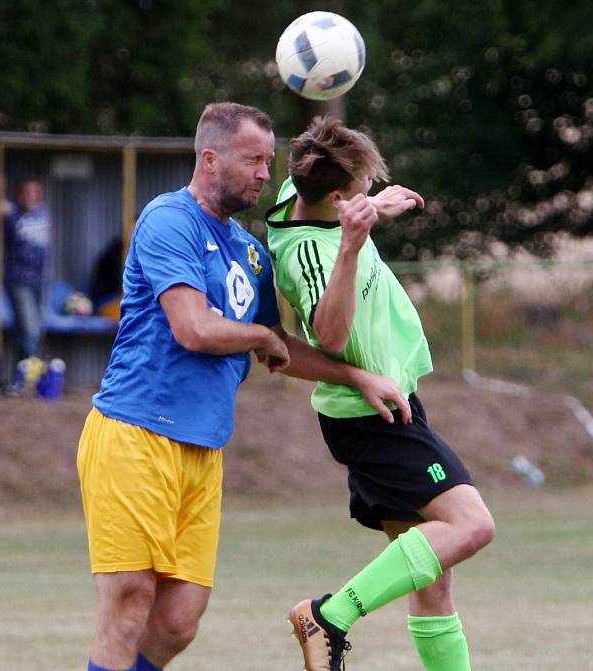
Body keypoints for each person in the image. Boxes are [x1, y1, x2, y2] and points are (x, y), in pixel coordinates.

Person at [76, 103, 412, 671]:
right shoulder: (169, 220)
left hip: (202, 450)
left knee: (179, 620)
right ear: (210, 159)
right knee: (130, 598)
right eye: (253, 160)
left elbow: (277, 346)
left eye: (268, 162)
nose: (265, 173)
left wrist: (356, 376)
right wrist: (260, 333)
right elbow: (194, 328)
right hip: (135, 435)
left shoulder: (249, 250)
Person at [265, 116, 496, 671]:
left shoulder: (297, 190)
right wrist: (352, 243)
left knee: (432, 579)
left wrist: (374, 211)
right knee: (471, 526)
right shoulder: (315, 255)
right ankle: (330, 614)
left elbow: (326, 174)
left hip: (385, 403)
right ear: (339, 200)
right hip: (372, 416)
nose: (371, 188)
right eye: (363, 187)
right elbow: (332, 334)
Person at [0, 175, 51, 360]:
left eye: (34, 192)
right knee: (30, 328)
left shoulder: (43, 212)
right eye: (27, 192)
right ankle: (31, 371)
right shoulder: (13, 213)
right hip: (19, 279)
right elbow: (0, 207)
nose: (30, 196)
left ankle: (24, 371)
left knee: (36, 328)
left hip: (41, 278)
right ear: (19, 195)